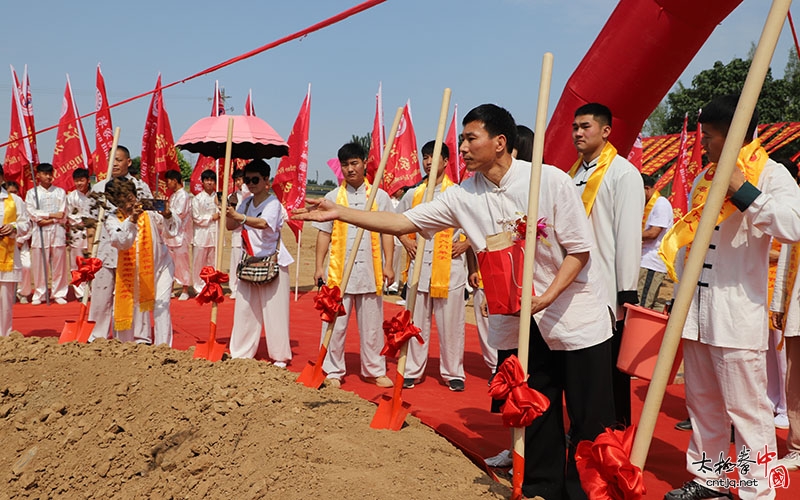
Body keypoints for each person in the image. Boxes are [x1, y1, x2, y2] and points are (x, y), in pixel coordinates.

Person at [295, 104, 615, 499]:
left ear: (500, 143)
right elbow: (404, 223)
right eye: (461, 139)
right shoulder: (464, 195)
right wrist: (340, 212)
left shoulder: (547, 182)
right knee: (535, 411)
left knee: (591, 420)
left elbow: (580, 252)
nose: (460, 147)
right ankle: (542, 489)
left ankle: (593, 492)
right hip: (518, 317)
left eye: (469, 138)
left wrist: (545, 298)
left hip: (573, 313)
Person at [662, 94, 800, 500]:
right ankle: (711, 481)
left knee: (749, 410)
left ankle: (758, 492)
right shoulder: (706, 176)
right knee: (703, 405)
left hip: (738, 311)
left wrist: (744, 192)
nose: (704, 144)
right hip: (697, 310)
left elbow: (794, 224)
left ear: (735, 134)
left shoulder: (771, 174)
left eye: (710, 136)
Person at [569, 103, 644, 426]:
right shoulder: (572, 174)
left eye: (585, 127)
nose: (578, 133)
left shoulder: (622, 173)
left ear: (605, 131)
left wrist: (626, 290)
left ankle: (613, 431)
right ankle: (585, 426)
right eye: (575, 127)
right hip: (574, 285)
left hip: (607, 288)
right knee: (580, 367)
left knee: (608, 367)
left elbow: (628, 235)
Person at [311, 142, 395, 389]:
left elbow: (387, 232)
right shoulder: (331, 198)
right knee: (334, 323)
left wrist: (389, 264)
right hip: (339, 271)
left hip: (370, 270)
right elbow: (324, 234)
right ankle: (332, 370)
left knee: (371, 324)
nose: (350, 169)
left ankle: (374, 369)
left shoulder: (379, 196)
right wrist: (319, 266)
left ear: (365, 163)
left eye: (354, 163)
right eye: (345, 165)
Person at [396, 141, 470, 391]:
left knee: (452, 323)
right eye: (425, 157)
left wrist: (467, 243)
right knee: (417, 321)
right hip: (420, 268)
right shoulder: (413, 194)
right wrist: (405, 240)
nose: (428, 162)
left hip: (450, 267)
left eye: (434, 157)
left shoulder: (460, 193)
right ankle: (413, 369)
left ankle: (453, 372)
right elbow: (397, 223)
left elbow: (482, 224)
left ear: (447, 161)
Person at [225, 160, 292, 363]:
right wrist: (231, 207)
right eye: (247, 180)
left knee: (274, 312)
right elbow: (230, 226)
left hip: (273, 262)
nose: (251, 183)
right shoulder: (244, 202)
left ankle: (279, 356)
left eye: (255, 179)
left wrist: (241, 217)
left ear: (266, 181)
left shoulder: (273, 204)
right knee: (245, 308)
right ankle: (241, 352)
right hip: (250, 262)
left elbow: (264, 223)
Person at [102, 177, 178, 345]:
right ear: (116, 203)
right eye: (123, 202)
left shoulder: (148, 210)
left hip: (162, 267)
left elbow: (171, 231)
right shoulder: (112, 219)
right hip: (131, 274)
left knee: (161, 307)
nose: (130, 205)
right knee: (125, 309)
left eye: (131, 198)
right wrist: (132, 220)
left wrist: (167, 214)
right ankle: (125, 348)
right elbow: (122, 242)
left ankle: (163, 348)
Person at [89, 145, 153, 341]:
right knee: (101, 294)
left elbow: (150, 215)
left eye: (118, 159)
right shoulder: (99, 187)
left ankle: (138, 336)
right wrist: (90, 249)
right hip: (106, 248)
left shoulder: (141, 187)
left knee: (133, 295)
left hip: (135, 247)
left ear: (128, 162)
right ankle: (97, 334)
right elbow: (91, 221)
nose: (114, 163)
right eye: (112, 160)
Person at [25, 163, 69, 305]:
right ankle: (40, 293)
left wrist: (48, 220)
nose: (48, 176)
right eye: (45, 174)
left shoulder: (60, 192)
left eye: (50, 174)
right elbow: (32, 213)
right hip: (40, 232)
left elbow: (63, 214)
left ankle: (59, 292)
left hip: (57, 230)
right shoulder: (32, 193)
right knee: (39, 264)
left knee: (59, 264)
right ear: (38, 175)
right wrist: (50, 215)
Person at [0, 166, 31, 335]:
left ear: (2, 178)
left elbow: (26, 224)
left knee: (5, 300)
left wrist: (13, 228)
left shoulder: (14, 200)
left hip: (8, 256)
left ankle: (3, 336)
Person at [638, 174, 673, 310]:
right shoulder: (650, 203)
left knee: (643, 303)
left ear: (646, 188)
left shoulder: (661, 204)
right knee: (650, 304)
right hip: (645, 261)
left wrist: (630, 236)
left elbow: (653, 233)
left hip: (651, 263)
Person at [164, 169, 193, 301]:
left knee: (182, 263)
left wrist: (167, 211)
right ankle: (170, 288)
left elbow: (179, 214)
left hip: (180, 234)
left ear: (175, 181)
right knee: (170, 263)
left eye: (168, 181)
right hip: (170, 235)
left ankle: (185, 289)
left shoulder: (184, 196)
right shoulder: (173, 195)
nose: (167, 184)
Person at [192, 169, 220, 295]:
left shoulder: (219, 197)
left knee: (213, 262)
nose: (209, 182)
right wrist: (211, 217)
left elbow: (225, 212)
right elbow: (196, 218)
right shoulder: (197, 199)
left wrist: (219, 210)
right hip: (201, 235)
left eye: (212, 180)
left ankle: (212, 286)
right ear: (202, 182)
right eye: (207, 180)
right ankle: (199, 287)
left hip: (215, 234)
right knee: (199, 262)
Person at [66, 168, 92, 300]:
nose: (79, 183)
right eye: (76, 181)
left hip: (93, 233)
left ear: (88, 180)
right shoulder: (71, 197)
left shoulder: (95, 194)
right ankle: (80, 293)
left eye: (81, 180)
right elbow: (69, 215)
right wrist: (83, 221)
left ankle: (94, 289)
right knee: (77, 264)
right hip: (77, 233)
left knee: (93, 262)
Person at [4, 182, 32, 304]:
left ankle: (22, 293)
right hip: (5, 246)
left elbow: (26, 224)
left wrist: (17, 234)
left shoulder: (18, 201)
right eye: (10, 191)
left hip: (18, 244)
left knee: (26, 266)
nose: (13, 194)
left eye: (15, 191)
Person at [227, 168, 251, 298]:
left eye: (240, 179)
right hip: (237, 233)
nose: (238, 183)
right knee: (236, 260)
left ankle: (246, 286)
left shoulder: (250, 194)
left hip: (250, 233)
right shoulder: (233, 196)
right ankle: (234, 287)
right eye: (236, 180)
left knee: (248, 260)